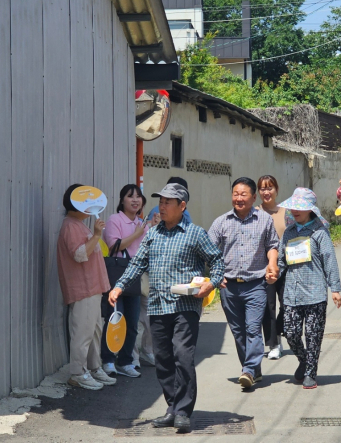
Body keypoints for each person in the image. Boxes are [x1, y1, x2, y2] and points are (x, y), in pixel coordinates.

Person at [109, 183, 225, 433]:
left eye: (167, 202)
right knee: (163, 360)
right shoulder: (152, 234)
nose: (161, 206)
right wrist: (118, 286)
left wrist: (211, 284)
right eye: (160, 201)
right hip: (158, 305)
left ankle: (183, 410)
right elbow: (137, 263)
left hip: (186, 305)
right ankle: (172, 407)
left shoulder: (195, 233)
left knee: (183, 355)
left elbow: (216, 260)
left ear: (182, 206)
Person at [208, 177, 280, 389]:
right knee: (238, 331)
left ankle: (248, 369)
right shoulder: (221, 222)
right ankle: (253, 370)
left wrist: (272, 264)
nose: (239, 198)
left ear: (253, 197)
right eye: (235, 194)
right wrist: (216, 273)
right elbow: (209, 250)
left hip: (256, 284)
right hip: (228, 286)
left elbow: (273, 245)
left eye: (243, 194)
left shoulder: (264, 220)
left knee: (252, 328)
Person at [271, 188, 341, 389]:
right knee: (291, 333)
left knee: (313, 336)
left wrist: (335, 289)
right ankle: (304, 360)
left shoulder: (320, 232)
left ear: (310, 209)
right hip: (291, 294)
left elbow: (330, 260)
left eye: (300, 208)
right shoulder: (289, 232)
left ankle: (311, 372)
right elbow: (282, 260)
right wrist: (273, 273)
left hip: (315, 293)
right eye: (293, 207)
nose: (295, 211)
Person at [57, 184, 114, 390]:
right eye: (86, 203)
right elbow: (79, 254)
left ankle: (94, 367)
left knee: (94, 331)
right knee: (82, 332)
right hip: (83, 288)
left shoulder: (78, 224)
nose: (90, 207)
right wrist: (97, 235)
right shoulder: (71, 225)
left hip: (93, 287)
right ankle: (77, 373)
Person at [101, 184, 159, 378]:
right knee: (114, 319)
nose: (135, 200)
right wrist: (138, 232)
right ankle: (108, 360)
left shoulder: (142, 223)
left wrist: (152, 227)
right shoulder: (114, 219)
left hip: (135, 276)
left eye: (138, 197)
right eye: (130, 196)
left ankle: (125, 362)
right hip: (118, 275)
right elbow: (114, 246)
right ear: (122, 200)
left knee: (132, 323)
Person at [257, 175, 286, 360]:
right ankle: (273, 343)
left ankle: (280, 332)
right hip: (263, 268)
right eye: (262, 188)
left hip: (287, 266)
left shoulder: (287, 212)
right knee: (268, 307)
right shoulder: (255, 212)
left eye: (270, 188)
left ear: (276, 190)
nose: (266, 192)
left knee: (288, 304)